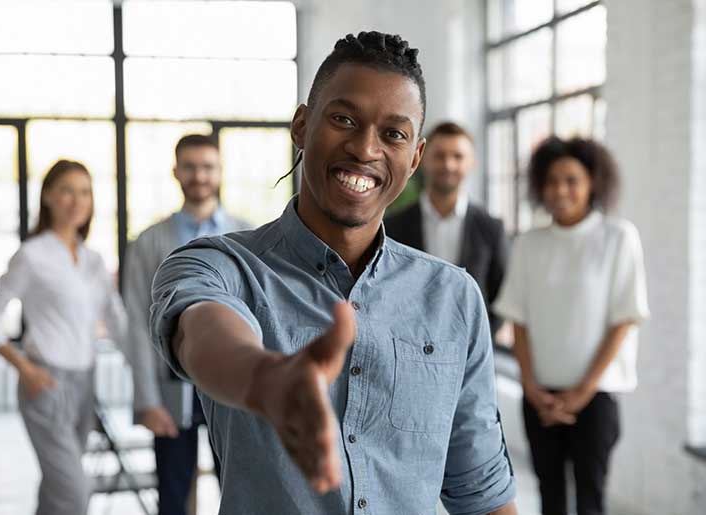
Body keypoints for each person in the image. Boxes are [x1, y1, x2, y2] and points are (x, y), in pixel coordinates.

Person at [148, 31, 518, 515]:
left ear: (416, 158)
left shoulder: (454, 297)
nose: (365, 149)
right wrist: (264, 379)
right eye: (344, 119)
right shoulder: (218, 264)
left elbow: (481, 490)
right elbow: (202, 331)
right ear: (302, 125)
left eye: (394, 134)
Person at [494, 136, 649, 515]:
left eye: (571, 180)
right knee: (549, 496)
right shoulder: (530, 244)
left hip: (595, 398)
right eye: (551, 181)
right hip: (539, 397)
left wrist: (581, 392)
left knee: (591, 498)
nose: (559, 190)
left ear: (593, 182)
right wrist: (531, 387)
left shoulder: (618, 237)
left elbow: (623, 321)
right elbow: (519, 322)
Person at [0, 160, 127, 515]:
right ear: (47, 196)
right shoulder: (32, 255)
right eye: (66, 190)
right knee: (74, 492)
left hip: (85, 382)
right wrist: (25, 369)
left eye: (85, 192)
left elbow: (117, 322)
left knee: (57, 490)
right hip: (45, 381)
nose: (77, 200)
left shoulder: (93, 259)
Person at [122, 134, 251, 515]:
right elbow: (135, 321)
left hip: (232, 387)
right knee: (173, 493)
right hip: (171, 386)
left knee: (240, 487)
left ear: (220, 171)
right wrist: (146, 399)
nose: (199, 176)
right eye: (190, 167)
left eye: (208, 166)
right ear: (176, 171)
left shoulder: (247, 235)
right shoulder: (149, 241)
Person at [385, 121, 508, 336]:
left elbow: (501, 299)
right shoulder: (392, 225)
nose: (448, 164)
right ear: (422, 159)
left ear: (472, 163)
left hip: (469, 353)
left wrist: (476, 341)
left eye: (458, 157)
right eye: (439, 156)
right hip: (404, 345)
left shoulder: (491, 229)